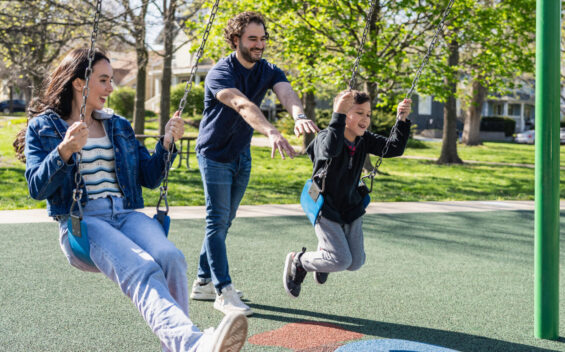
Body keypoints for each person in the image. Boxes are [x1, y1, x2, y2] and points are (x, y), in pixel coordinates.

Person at [20, 47, 247, 352]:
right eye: (103, 80)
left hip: (125, 215)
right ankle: (193, 345)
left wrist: (166, 144)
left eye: (111, 80)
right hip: (84, 222)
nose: (111, 88)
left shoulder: (118, 125)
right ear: (79, 82)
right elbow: (37, 187)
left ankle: (179, 346)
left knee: (171, 259)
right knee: (142, 268)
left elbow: (150, 177)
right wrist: (64, 150)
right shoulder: (44, 127)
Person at [191, 11, 319, 316]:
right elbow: (242, 104)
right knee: (217, 220)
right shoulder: (221, 72)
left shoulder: (268, 69)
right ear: (236, 40)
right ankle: (223, 290)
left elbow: (286, 92)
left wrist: (299, 115)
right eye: (253, 39)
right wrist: (272, 131)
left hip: (240, 155)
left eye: (263, 38)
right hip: (214, 155)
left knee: (224, 221)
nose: (259, 44)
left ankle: (202, 281)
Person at [283, 90, 412, 298]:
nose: (365, 119)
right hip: (326, 205)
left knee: (356, 262)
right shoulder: (326, 137)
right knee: (340, 260)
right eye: (359, 113)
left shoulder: (364, 139)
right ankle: (299, 261)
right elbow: (331, 150)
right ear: (342, 114)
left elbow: (393, 148)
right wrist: (338, 115)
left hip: (350, 206)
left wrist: (401, 120)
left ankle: (324, 256)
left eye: (368, 114)